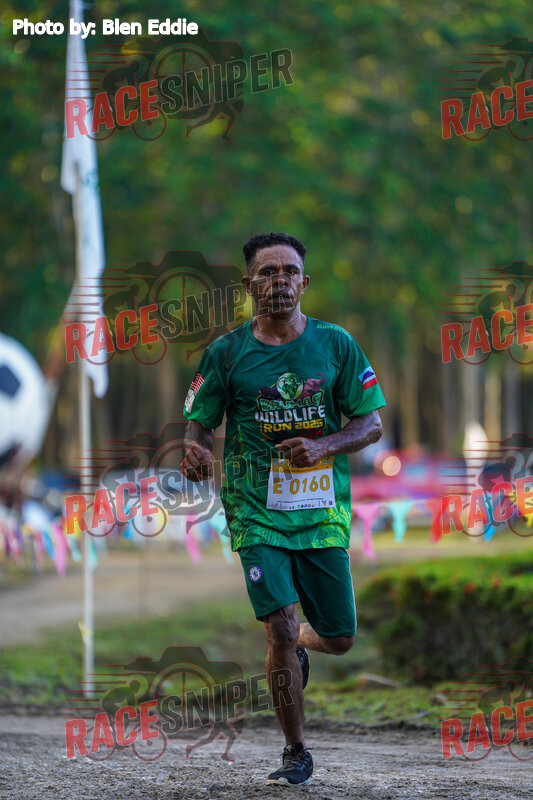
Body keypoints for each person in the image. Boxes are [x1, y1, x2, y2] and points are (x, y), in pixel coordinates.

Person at [181, 232, 385, 785]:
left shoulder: (336, 344)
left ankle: (300, 642)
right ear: (249, 285)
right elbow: (198, 423)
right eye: (267, 273)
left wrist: (323, 446)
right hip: (255, 510)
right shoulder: (226, 354)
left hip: (321, 511)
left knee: (339, 637)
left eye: (289, 272)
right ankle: (296, 751)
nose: (279, 281)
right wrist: (196, 448)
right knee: (279, 625)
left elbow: (371, 423)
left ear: (304, 282)